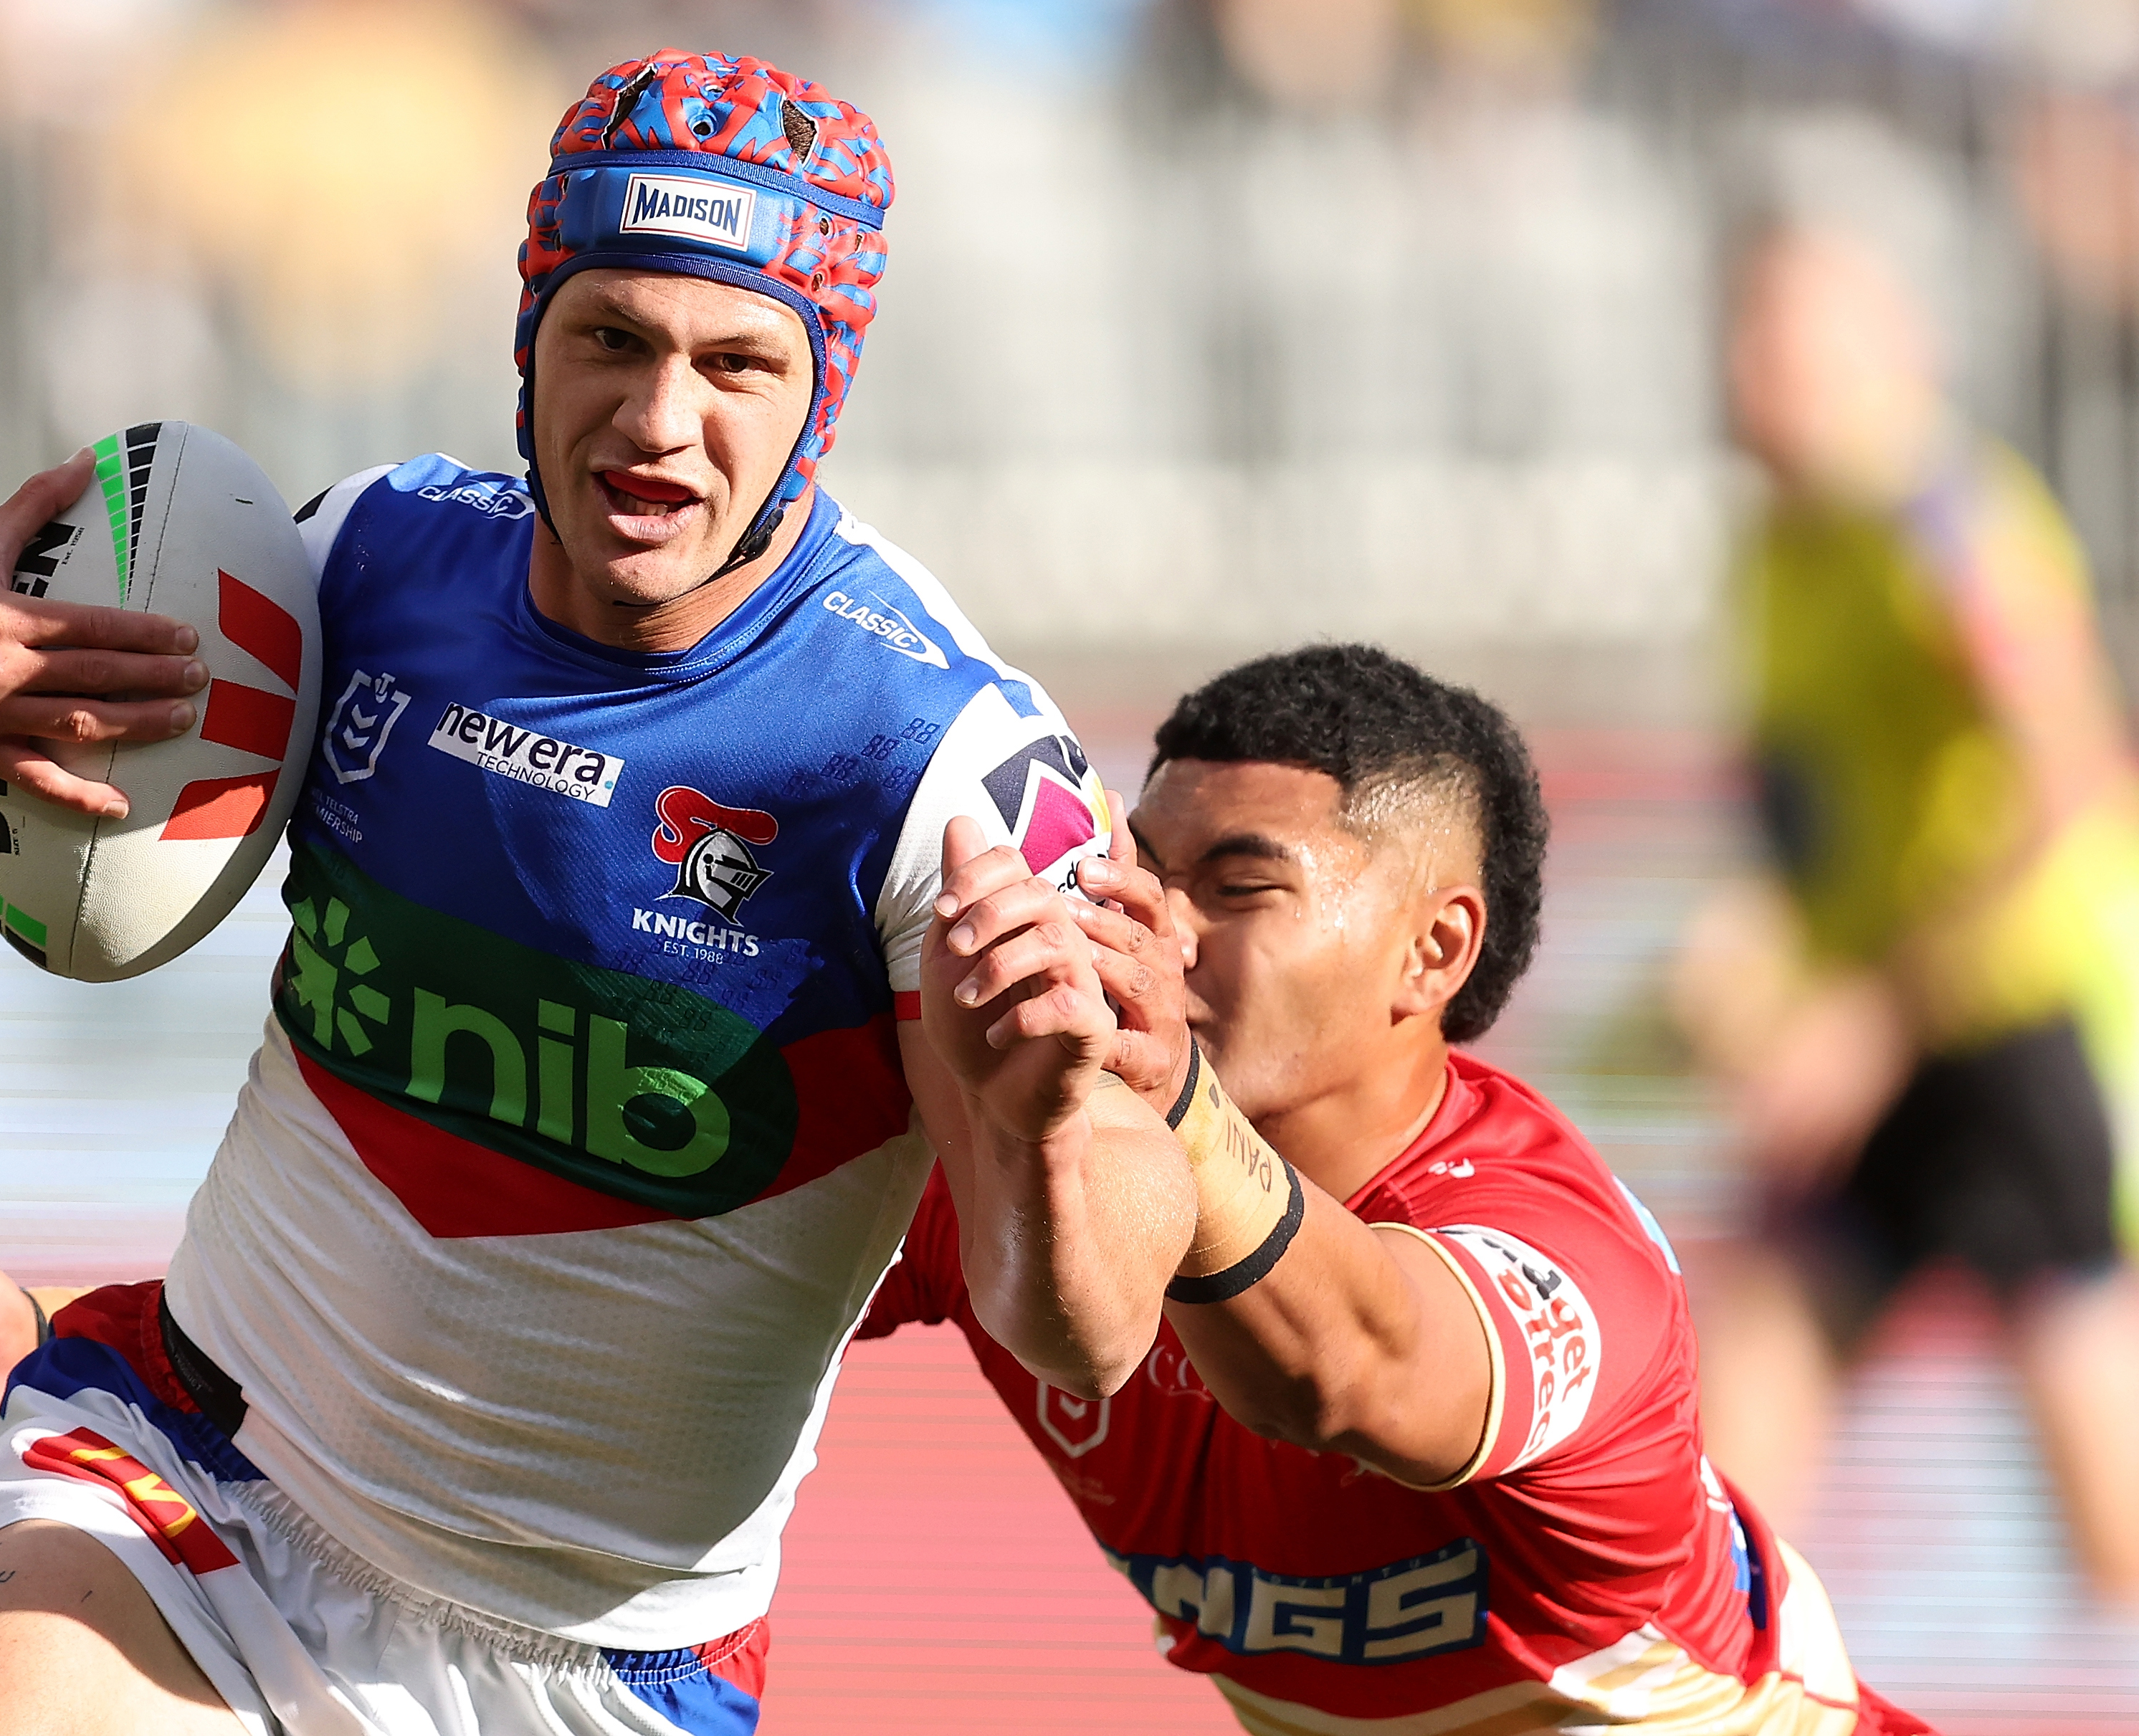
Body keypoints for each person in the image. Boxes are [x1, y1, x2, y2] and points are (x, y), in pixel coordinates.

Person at [0, 50, 1193, 1736]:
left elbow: (1085, 1334)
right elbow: (44, 909)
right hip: (193, 1476)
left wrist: (1048, 1127)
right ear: (527, 335)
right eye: (610, 337)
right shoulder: (357, 561)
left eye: (734, 363)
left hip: (595, 1662)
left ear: (820, 392)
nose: (658, 419)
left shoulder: (943, 766)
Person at [891, 644, 1931, 1732]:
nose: (1167, 931)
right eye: (1144, 875)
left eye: (1240, 888)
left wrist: (1176, 1099)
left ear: (1433, 950)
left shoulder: (1563, 1248)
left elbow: (1344, 1375)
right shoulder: (1031, 1154)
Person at [1674, 221, 2139, 1597]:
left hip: (2008, 1027)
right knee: (1731, 1454)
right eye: (1750, 336)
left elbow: (2064, 766)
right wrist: (1755, 946)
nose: (1763, 368)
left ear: (1895, 348)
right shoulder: (1773, 552)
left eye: (1798, 336)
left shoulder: (1944, 522)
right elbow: (1811, 816)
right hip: (1866, 1051)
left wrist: (1874, 1009)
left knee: (2113, 1526)